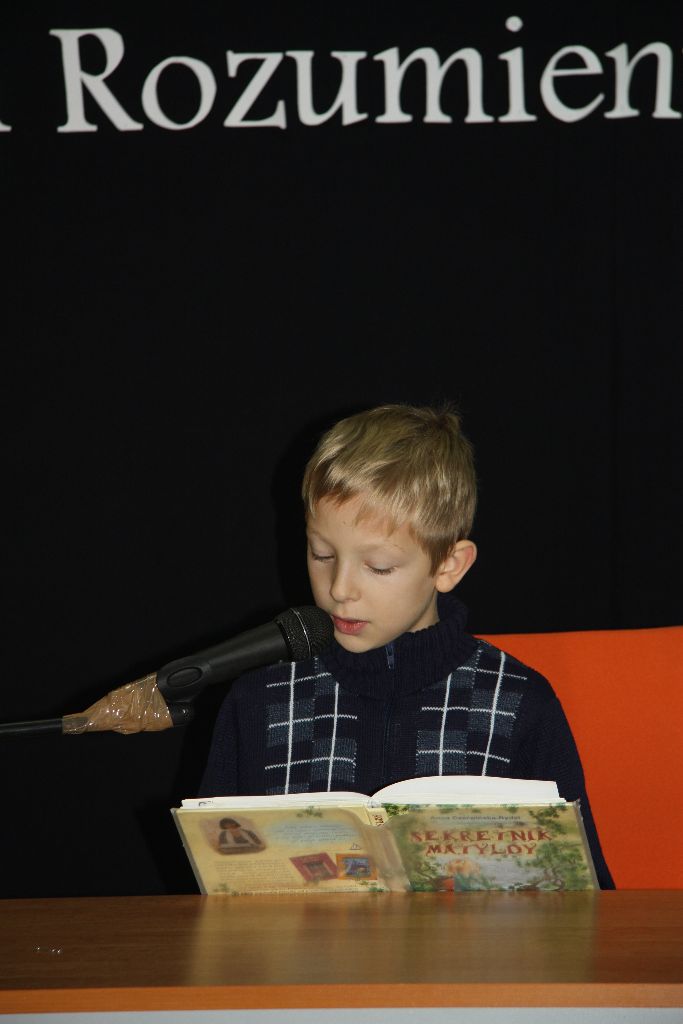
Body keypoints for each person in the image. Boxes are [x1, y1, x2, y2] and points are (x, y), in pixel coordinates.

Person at [200, 403, 614, 888]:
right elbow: (215, 884)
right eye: (322, 554)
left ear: (449, 566)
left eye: (378, 566)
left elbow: (586, 901)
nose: (340, 588)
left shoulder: (520, 704)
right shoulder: (259, 700)